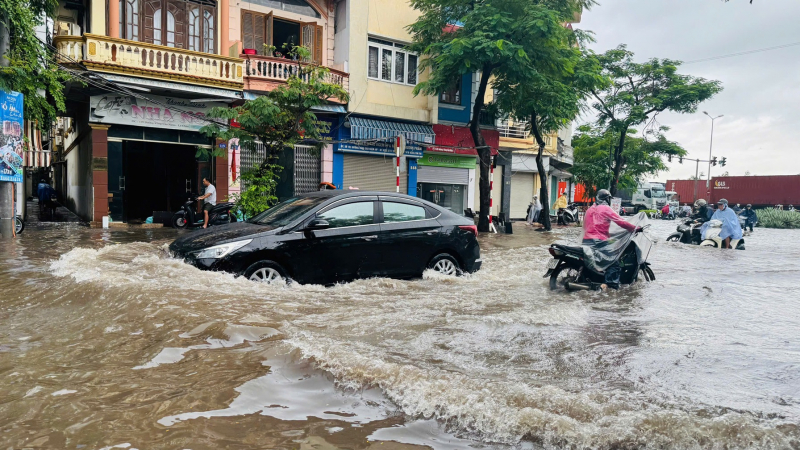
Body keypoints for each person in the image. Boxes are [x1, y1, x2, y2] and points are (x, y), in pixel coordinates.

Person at [582, 189, 643, 290]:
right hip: (598, 242)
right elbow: (621, 222)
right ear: (607, 199)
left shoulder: (590, 209)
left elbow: (592, 227)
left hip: (587, 241)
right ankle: (608, 285)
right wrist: (635, 228)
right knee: (614, 262)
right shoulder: (605, 208)